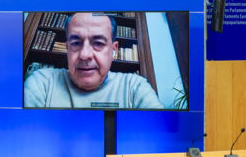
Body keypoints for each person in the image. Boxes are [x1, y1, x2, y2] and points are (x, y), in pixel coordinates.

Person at [24, 12, 162, 109]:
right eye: (76, 43)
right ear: (67, 49)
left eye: (98, 43)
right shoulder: (42, 83)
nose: (84, 55)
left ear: (113, 51)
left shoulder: (134, 87)